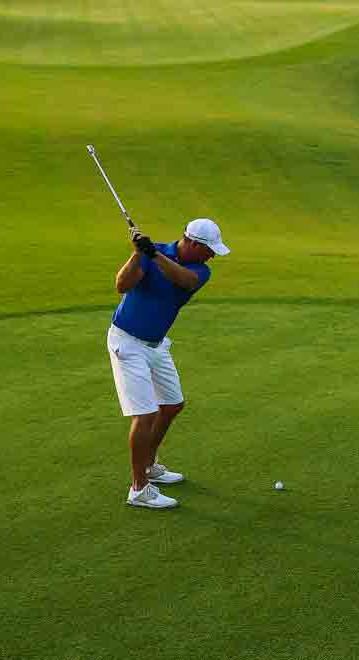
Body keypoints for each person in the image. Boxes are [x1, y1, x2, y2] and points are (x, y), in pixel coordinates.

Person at [107, 217, 229, 509]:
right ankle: (139, 488)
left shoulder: (200, 270)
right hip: (127, 342)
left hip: (157, 344)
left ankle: (149, 464)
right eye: (209, 249)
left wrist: (153, 254)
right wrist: (138, 253)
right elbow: (122, 285)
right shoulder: (150, 252)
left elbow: (183, 280)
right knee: (145, 415)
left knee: (172, 404)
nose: (213, 255)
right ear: (193, 243)